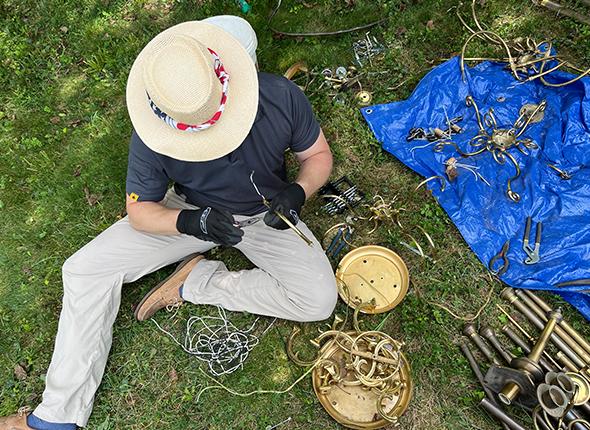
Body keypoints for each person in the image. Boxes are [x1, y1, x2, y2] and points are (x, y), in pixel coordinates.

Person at [0, 16, 337, 430]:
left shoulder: (281, 95)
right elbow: (141, 211)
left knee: (319, 299)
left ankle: (194, 282)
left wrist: (299, 191)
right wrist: (192, 223)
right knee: (84, 269)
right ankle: (57, 417)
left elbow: (318, 157)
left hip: (267, 212)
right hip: (189, 210)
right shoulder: (154, 129)